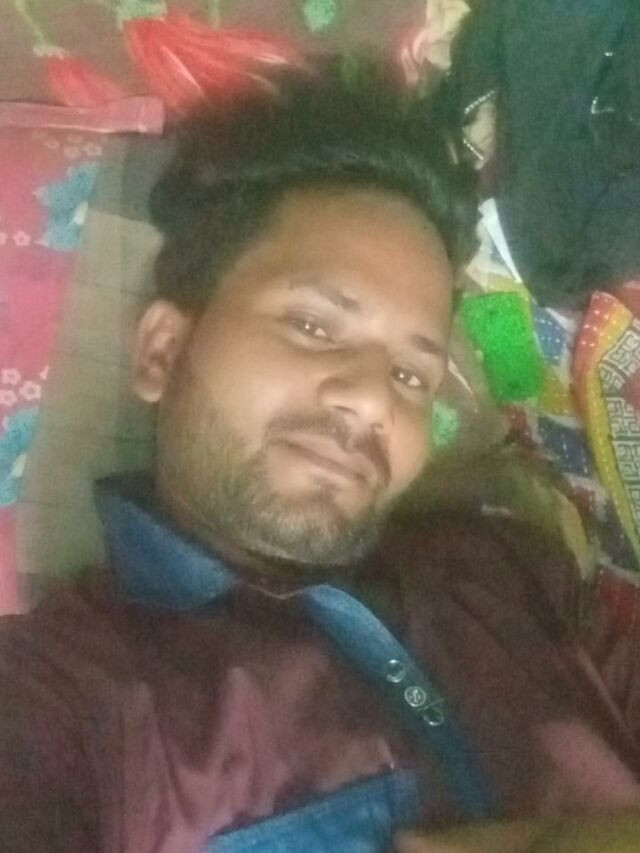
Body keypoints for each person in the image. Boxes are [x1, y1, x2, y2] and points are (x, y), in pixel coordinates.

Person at [1, 61, 640, 853]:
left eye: (412, 375)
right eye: (312, 326)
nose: (373, 401)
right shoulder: (63, 700)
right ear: (163, 349)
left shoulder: (515, 567)